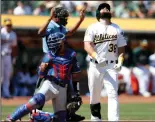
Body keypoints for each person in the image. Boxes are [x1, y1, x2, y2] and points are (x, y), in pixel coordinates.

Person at [6, 32, 81, 122]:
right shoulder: (49, 55)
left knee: (60, 119)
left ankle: (38, 115)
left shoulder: (71, 54)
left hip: (63, 88)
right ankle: (12, 117)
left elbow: (75, 75)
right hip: (50, 83)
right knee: (35, 101)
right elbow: (41, 75)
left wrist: (76, 92)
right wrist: (42, 69)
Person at [36, 6, 86, 121]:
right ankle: (35, 112)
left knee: (69, 88)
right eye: (63, 17)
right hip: (49, 59)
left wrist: (80, 20)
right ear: (57, 17)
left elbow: (70, 32)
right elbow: (40, 32)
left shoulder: (60, 26)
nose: (66, 19)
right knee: (42, 87)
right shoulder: (50, 25)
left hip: (61, 59)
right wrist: (49, 18)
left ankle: (70, 114)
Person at [83, 3, 127, 121]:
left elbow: (122, 48)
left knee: (113, 94)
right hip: (95, 64)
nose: (106, 9)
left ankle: (114, 119)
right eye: (103, 8)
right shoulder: (92, 27)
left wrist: (120, 61)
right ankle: (96, 119)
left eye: (107, 8)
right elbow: (87, 46)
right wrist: (96, 56)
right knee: (95, 94)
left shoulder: (117, 28)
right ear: (98, 13)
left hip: (112, 65)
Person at [1, 18, 18, 99]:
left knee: (7, 76)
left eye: (10, 25)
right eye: (7, 25)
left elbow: (14, 47)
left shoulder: (13, 34)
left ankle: (6, 93)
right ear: (4, 25)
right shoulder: (1, 33)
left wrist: (14, 57)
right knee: (0, 76)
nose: (9, 26)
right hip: (1, 56)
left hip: (8, 56)